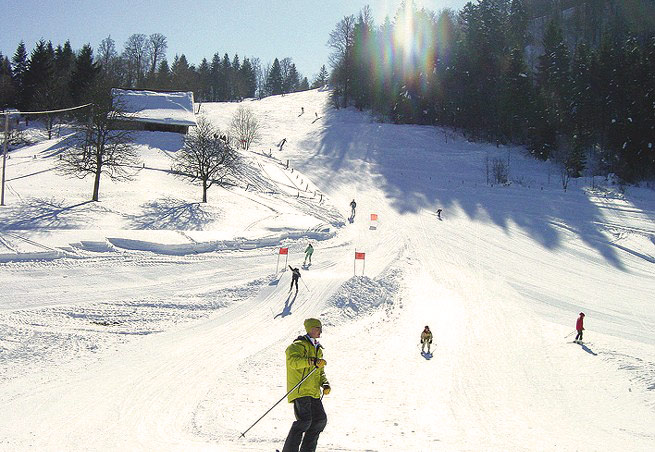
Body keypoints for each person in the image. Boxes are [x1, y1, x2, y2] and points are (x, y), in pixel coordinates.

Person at [282, 318, 330, 452]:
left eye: (321, 328)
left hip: (313, 392)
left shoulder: (318, 348)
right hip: (300, 389)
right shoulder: (298, 345)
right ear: (309, 329)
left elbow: (319, 371)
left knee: (320, 420)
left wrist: (325, 384)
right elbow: (293, 362)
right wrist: (312, 361)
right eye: (317, 327)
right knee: (305, 421)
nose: (320, 330)